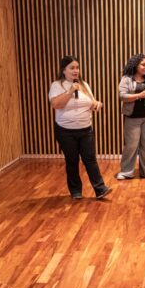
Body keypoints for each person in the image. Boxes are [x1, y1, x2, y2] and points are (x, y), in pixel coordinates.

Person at [48, 55, 112, 200]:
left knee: (90, 159)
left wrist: (97, 104)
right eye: (72, 68)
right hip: (65, 131)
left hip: (86, 129)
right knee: (72, 160)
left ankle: (100, 189)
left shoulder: (85, 85)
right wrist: (70, 91)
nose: (76, 71)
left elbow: (92, 102)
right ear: (64, 70)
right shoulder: (57, 85)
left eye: (77, 68)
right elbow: (55, 104)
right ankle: (76, 191)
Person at [117, 54, 145, 179]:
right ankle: (126, 172)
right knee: (131, 146)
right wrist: (138, 96)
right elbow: (122, 96)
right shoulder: (126, 79)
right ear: (135, 65)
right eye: (143, 64)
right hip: (132, 118)